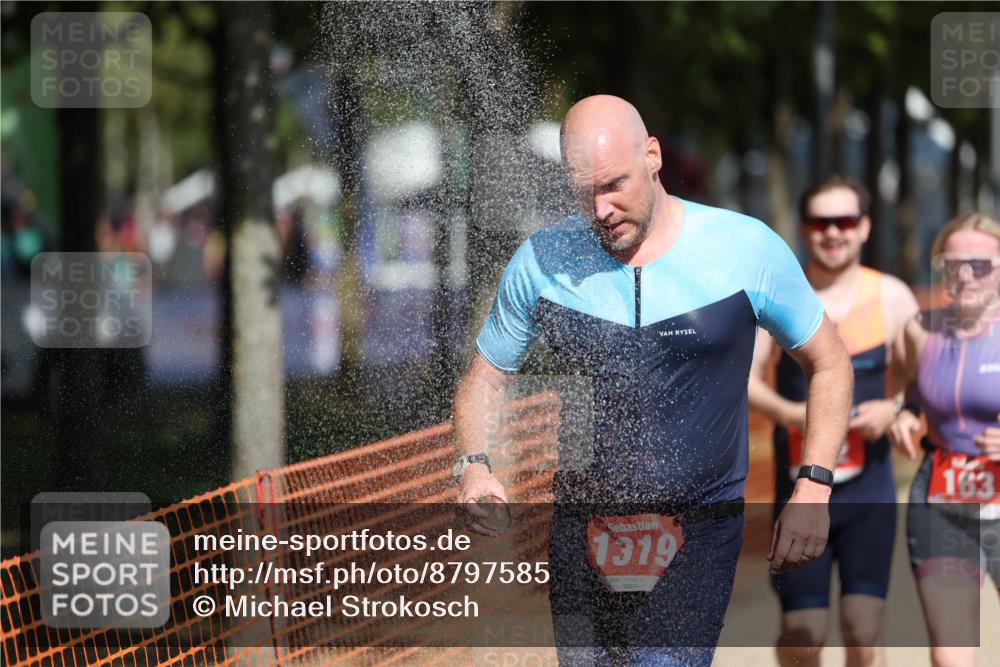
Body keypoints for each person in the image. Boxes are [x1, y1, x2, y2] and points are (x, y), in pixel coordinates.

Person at [451, 94, 854, 666]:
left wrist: (813, 484)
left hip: (698, 530)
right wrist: (473, 467)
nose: (601, 208)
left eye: (615, 184)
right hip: (581, 535)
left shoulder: (744, 249)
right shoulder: (542, 262)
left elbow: (829, 362)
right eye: (583, 191)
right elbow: (484, 380)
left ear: (653, 156)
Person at [748, 175, 919, 666]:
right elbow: (748, 379)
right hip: (799, 488)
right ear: (805, 229)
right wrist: (794, 413)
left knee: (863, 629)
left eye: (844, 220)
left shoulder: (892, 297)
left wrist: (896, 409)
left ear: (864, 227)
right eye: (820, 222)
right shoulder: (784, 295)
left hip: (869, 492)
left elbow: (921, 379)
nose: (832, 232)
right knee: (804, 631)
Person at [888, 212, 1000, 667]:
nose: (966, 274)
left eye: (981, 264)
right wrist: (904, 414)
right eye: (954, 264)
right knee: (951, 656)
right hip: (942, 501)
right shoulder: (920, 329)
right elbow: (906, 390)